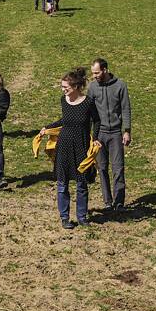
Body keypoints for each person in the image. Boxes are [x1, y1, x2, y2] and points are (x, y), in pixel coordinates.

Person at [40, 67, 101, 229]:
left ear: (75, 87)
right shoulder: (63, 101)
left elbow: (97, 121)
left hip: (81, 146)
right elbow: (64, 120)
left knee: (81, 184)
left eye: (65, 87)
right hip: (64, 146)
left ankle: (82, 216)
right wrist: (47, 127)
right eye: (62, 87)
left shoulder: (88, 102)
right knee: (62, 184)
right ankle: (65, 217)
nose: (63, 90)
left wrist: (95, 139)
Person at [88, 58, 132, 212]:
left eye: (97, 72)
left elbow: (125, 108)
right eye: (93, 73)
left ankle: (119, 202)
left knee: (118, 168)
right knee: (102, 168)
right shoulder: (92, 88)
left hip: (115, 134)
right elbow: (89, 112)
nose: (94, 76)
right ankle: (107, 201)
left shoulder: (120, 86)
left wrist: (127, 130)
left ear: (105, 70)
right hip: (99, 134)